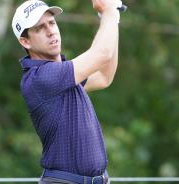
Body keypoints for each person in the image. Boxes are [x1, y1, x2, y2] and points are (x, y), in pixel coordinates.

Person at [12, 0, 121, 183]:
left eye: (52, 22)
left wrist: (111, 17)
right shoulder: (41, 77)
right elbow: (102, 54)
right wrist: (109, 10)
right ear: (25, 41)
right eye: (39, 28)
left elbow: (104, 76)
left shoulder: (64, 74)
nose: (50, 31)